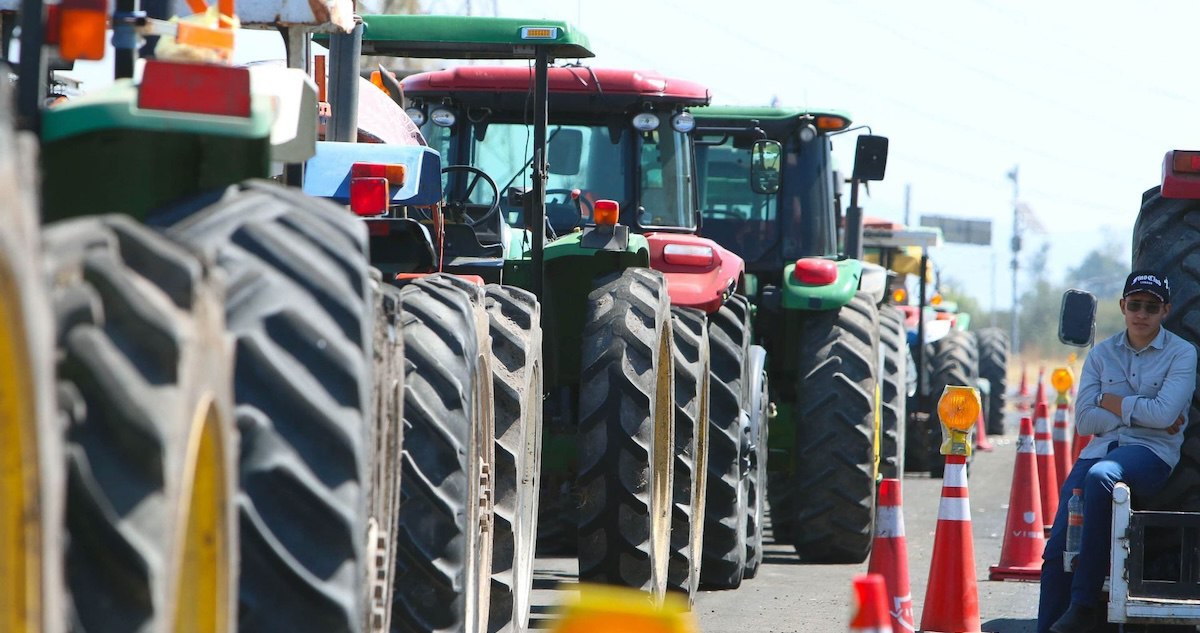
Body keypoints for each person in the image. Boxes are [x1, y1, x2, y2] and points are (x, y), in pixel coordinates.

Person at [1039, 270, 1197, 633]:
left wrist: (1111, 401)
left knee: (1101, 477)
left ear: (1166, 310)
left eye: (1151, 307)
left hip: (1151, 454)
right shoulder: (1100, 355)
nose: (1142, 314)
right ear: (1123, 306)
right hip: (1097, 451)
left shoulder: (1182, 354)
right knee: (1056, 551)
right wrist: (1147, 413)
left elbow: (1164, 416)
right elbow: (1084, 422)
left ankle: (1082, 605)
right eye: (1135, 305)